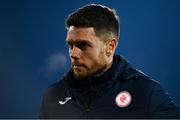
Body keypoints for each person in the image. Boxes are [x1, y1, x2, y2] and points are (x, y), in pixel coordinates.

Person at [39, 4, 180, 118]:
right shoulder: (53, 96)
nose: (73, 54)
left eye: (83, 45)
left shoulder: (146, 93)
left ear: (110, 47)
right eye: (70, 45)